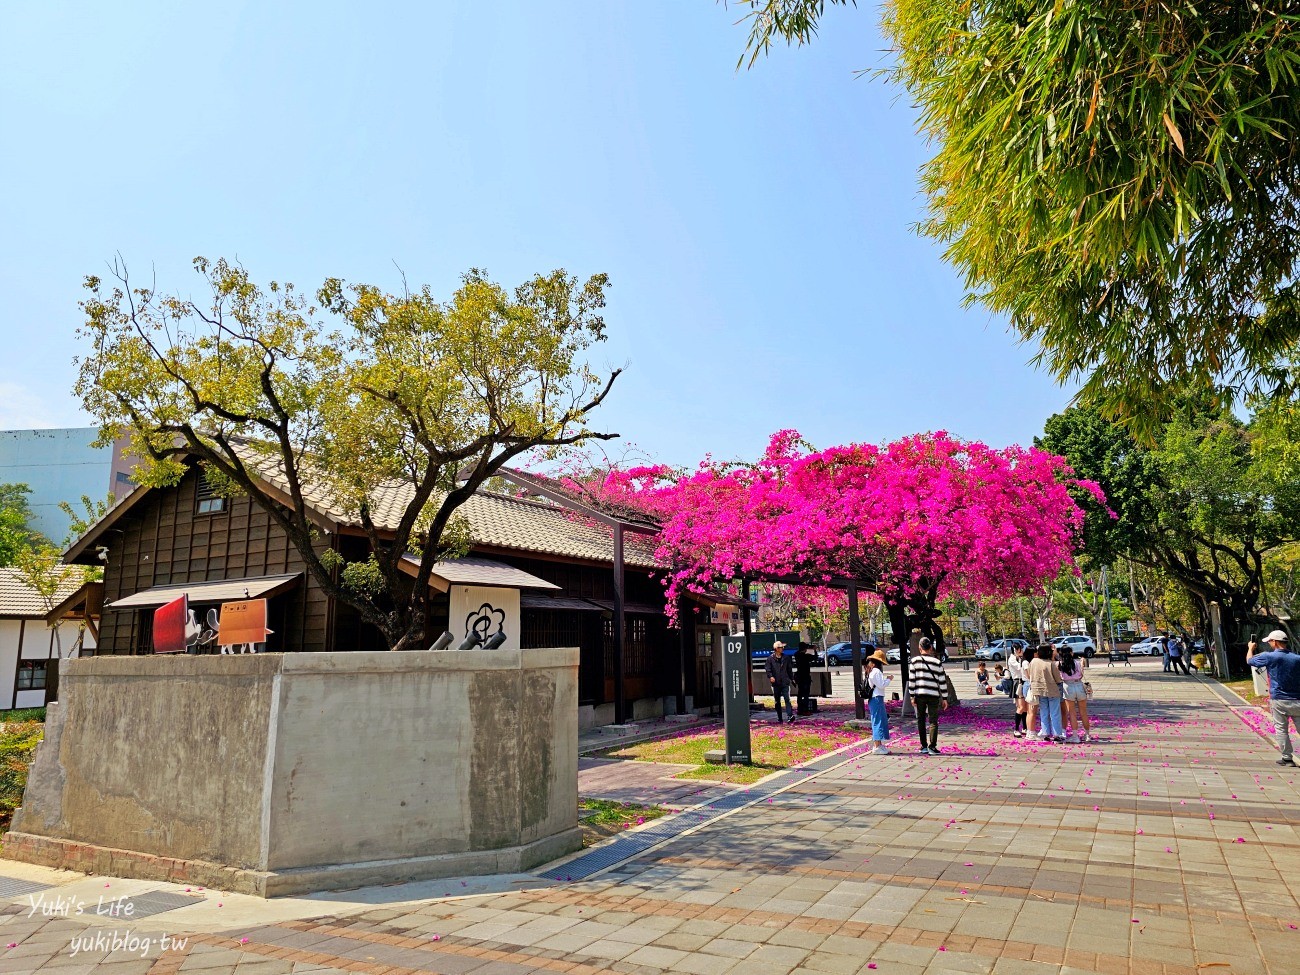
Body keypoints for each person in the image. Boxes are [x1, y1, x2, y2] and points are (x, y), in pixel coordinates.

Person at [1247, 629, 1300, 767]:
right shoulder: (1297, 658)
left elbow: (1250, 661)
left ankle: (1287, 758)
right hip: (1297, 699)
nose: (1269, 644)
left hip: (1279, 699)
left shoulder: (1269, 656)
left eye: (1270, 641)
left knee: (1281, 729)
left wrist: (1250, 648)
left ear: (1275, 642)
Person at [909, 637, 949, 755]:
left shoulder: (914, 661)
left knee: (920, 719)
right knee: (933, 721)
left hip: (919, 694)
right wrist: (945, 698)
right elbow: (942, 681)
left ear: (919, 648)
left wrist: (912, 696)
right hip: (933, 695)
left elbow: (912, 680)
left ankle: (923, 746)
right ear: (931, 647)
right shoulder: (937, 662)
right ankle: (932, 746)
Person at [1027, 644, 1064, 741]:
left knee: (1044, 712)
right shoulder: (1051, 663)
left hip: (1039, 690)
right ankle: (1057, 735)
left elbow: (1030, 673)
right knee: (1055, 713)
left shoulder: (1034, 661)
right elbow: (1058, 679)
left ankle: (1046, 733)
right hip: (1052, 690)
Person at [1057, 646, 1091, 742]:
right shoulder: (1077, 663)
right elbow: (1081, 675)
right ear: (1071, 653)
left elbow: (1060, 677)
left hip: (1068, 686)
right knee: (1083, 712)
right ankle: (1087, 735)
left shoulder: (1060, 664)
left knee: (1072, 712)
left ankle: (1075, 736)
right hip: (1079, 685)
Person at [864, 649, 892, 754]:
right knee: (878, 721)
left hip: (874, 698)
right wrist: (889, 679)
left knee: (878, 720)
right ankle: (877, 746)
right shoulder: (876, 671)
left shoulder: (871, 671)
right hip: (877, 698)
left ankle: (879, 744)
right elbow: (881, 685)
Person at [765, 641, 795, 724]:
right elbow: (768, 669)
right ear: (776, 649)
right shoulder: (770, 659)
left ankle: (790, 716)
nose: (783, 649)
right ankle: (780, 718)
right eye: (781, 647)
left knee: (787, 699)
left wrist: (792, 679)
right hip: (776, 684)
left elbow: (789, 669)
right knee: (777, 701)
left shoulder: (786, 658)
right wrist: (771, 676)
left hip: (785, 682)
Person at [1008, 645, 1029, 736]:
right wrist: (1022, 658)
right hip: (1018, 682)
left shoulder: (1018, 658)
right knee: (1020, 707)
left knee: (1024, 707)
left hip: (1023, 682)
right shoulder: (1012, 659)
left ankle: (1025, 728)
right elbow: (1020, 668)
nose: (1022, 651)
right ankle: (1016, 729)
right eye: (1020, 650)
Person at [794, 643, 814, 715]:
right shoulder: (805, 656)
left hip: (799, 677)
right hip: (805, 677)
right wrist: (813, 650)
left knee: (800, 693)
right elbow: (814, 657)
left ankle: (799, 709)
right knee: (805, 694)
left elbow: (797, 653)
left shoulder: (797, 655)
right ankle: (805, 710)